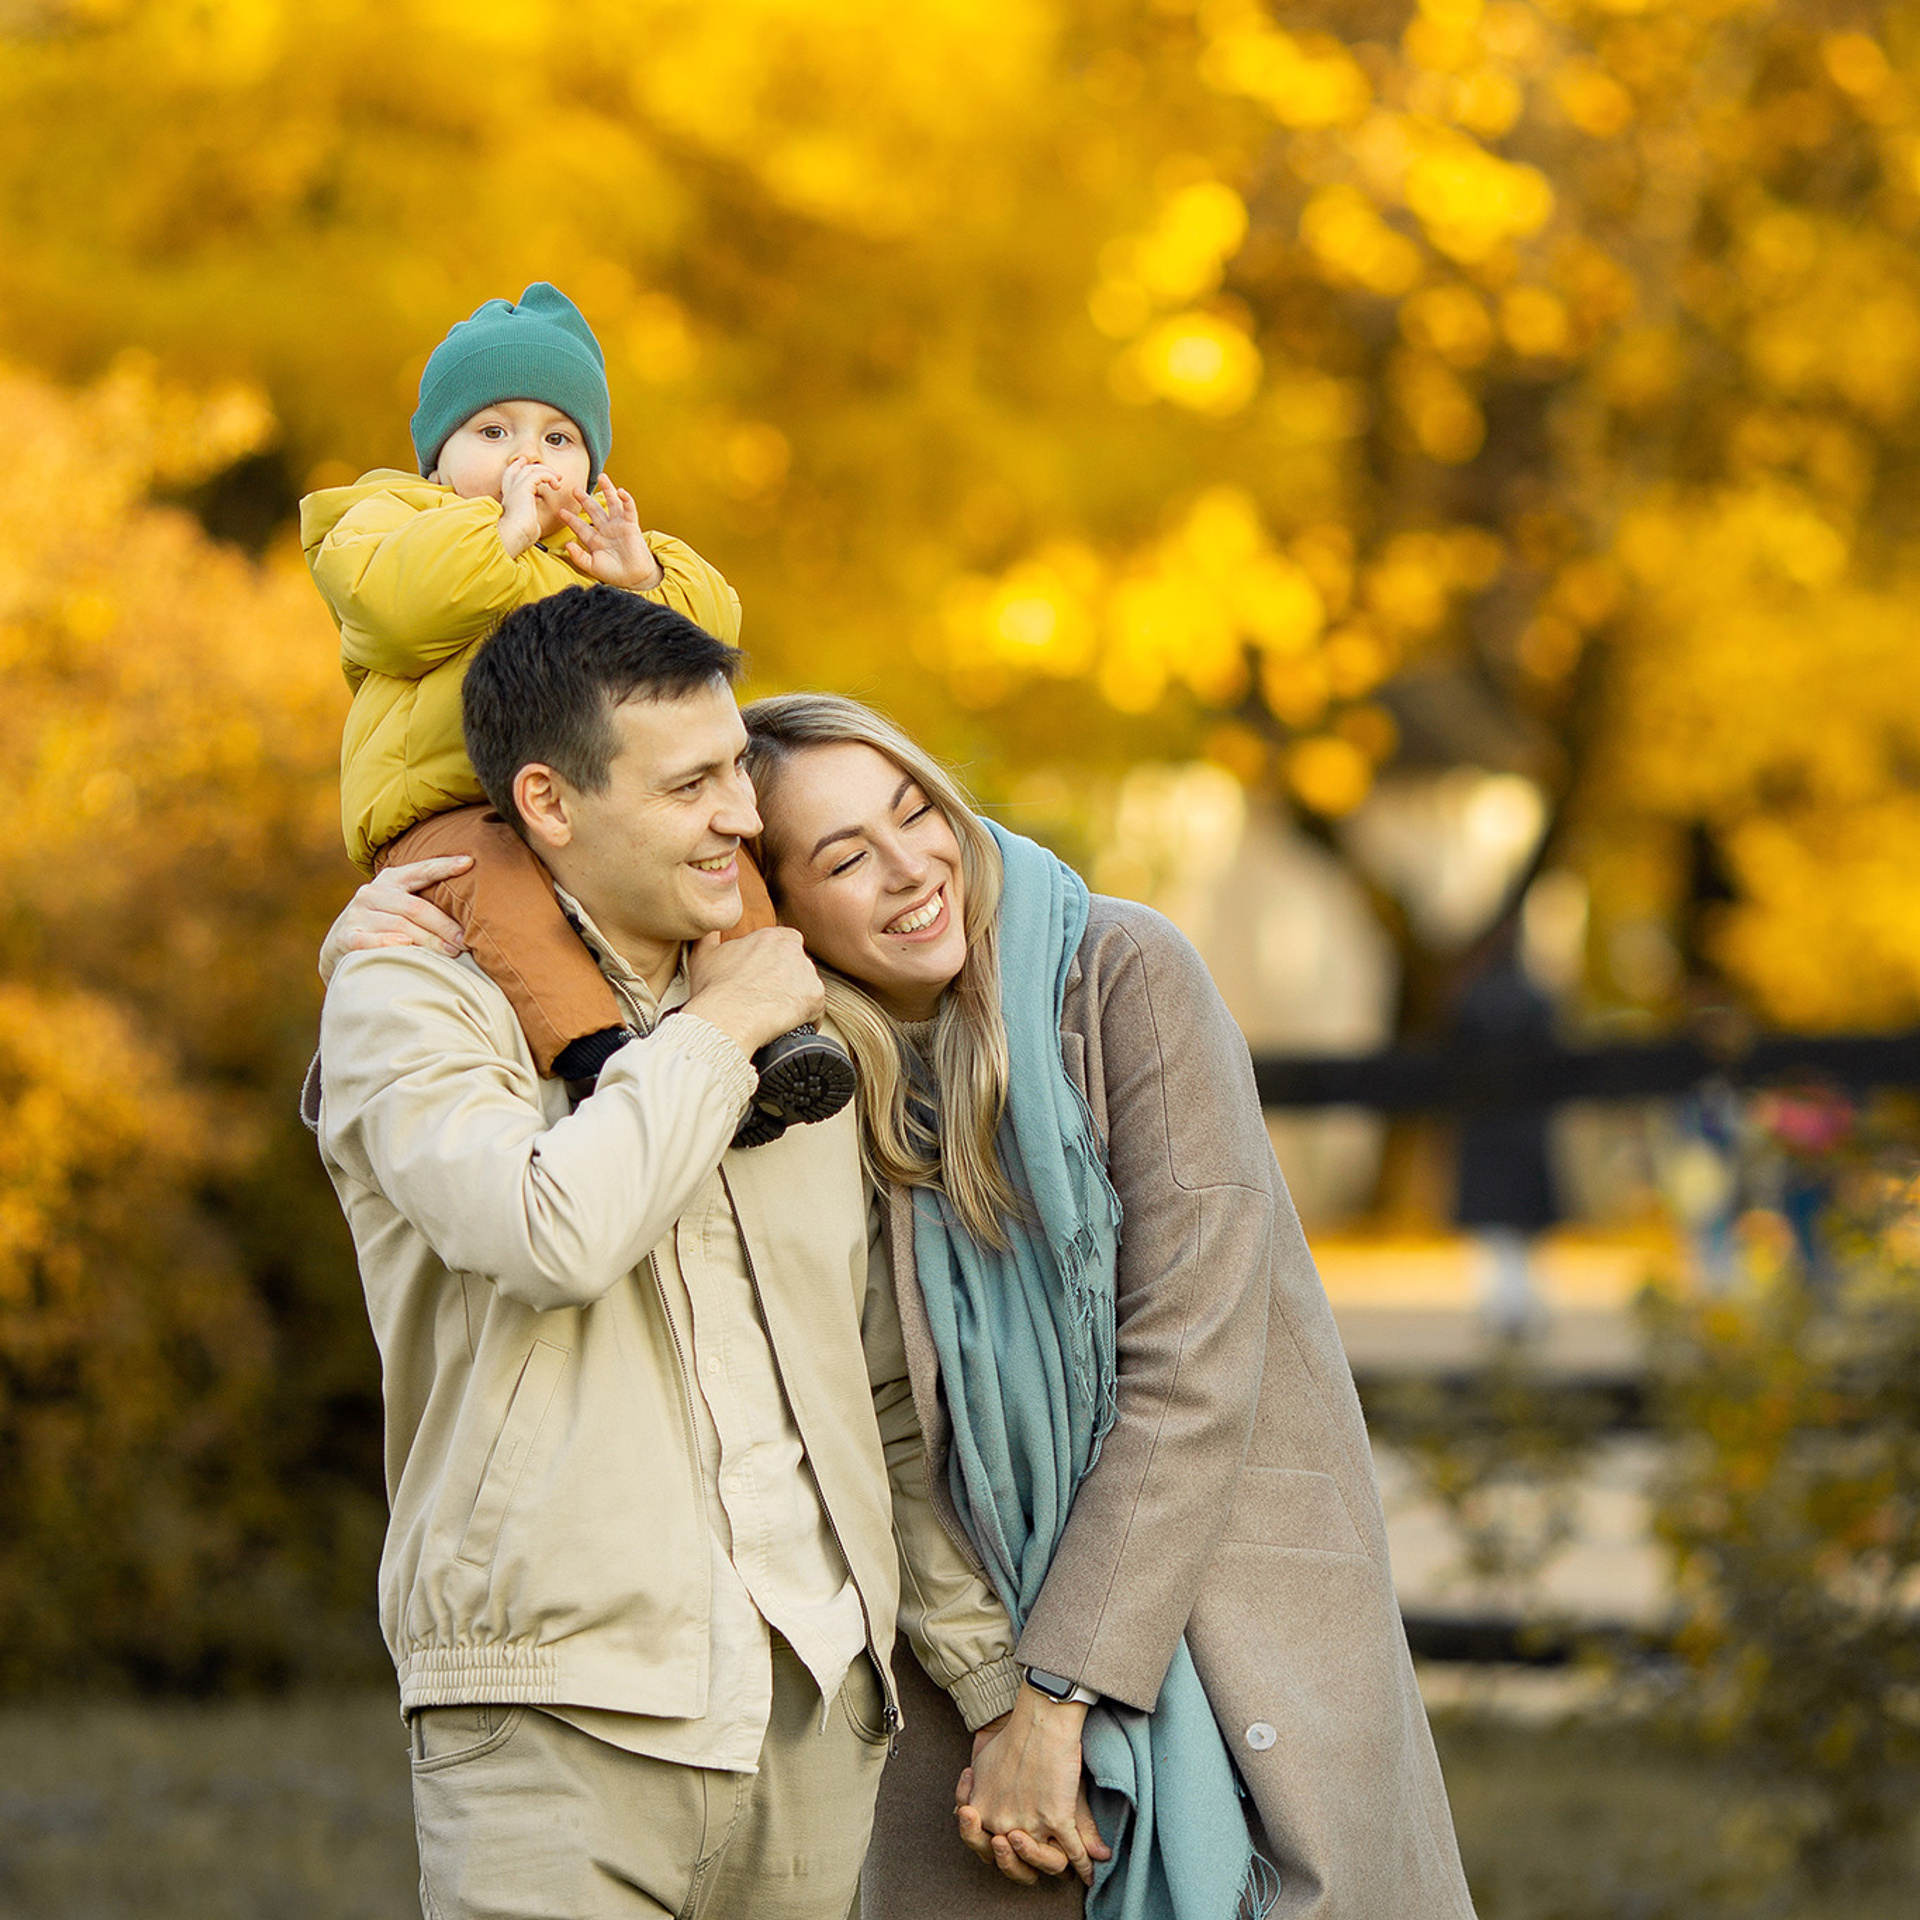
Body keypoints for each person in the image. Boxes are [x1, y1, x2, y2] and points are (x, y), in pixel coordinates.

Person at [338, 690, 1479, 1918]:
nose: (911, 867)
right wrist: (410, 902)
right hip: (961, 1675)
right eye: (843, 857)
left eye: (915, 810)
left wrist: (1052, 1700)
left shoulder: (1123, 978)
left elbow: (1192, 1375)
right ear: (770, 906)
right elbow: (854, 1395)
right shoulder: (804, 1081)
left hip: (1222, 1621)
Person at [310, 592, 1017, 1920]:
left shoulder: (798, 1021)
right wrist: (719, 1032)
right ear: (550, 802)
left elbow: (870, 1384)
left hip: (812, 1707)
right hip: (552, 1715)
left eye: (734, 779)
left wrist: (983, 1682)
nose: (741, 820)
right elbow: (549, 1231)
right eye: (691, 785)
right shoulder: (409, 997)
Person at [301, 279, 849, 1143]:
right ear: (436, 459)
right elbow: (396, 610)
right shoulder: (393, 524)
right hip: (453, 813)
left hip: (590, 806)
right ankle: (597, 1058)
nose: (531, 458)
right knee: (510, 913)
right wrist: (505, 530)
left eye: (559, 438)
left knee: (723, 865)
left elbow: (698, 674)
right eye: (494, 432)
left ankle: (773, 1042)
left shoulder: (583, 563)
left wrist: (643, 583)